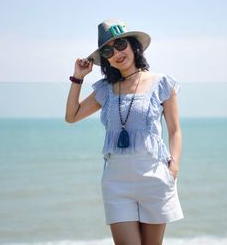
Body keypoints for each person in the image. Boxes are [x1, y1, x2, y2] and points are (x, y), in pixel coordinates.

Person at [65, 18, 183, 245]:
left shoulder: (161, 83)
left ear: (133, 46)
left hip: (154, 176)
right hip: (116, 182)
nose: (117, 53)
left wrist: (174, 167)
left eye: (121, 45)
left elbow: (175, 129)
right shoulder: (105, 90)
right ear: (106, 60)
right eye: (108, 50)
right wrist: (78, 77)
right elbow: (72, 116)